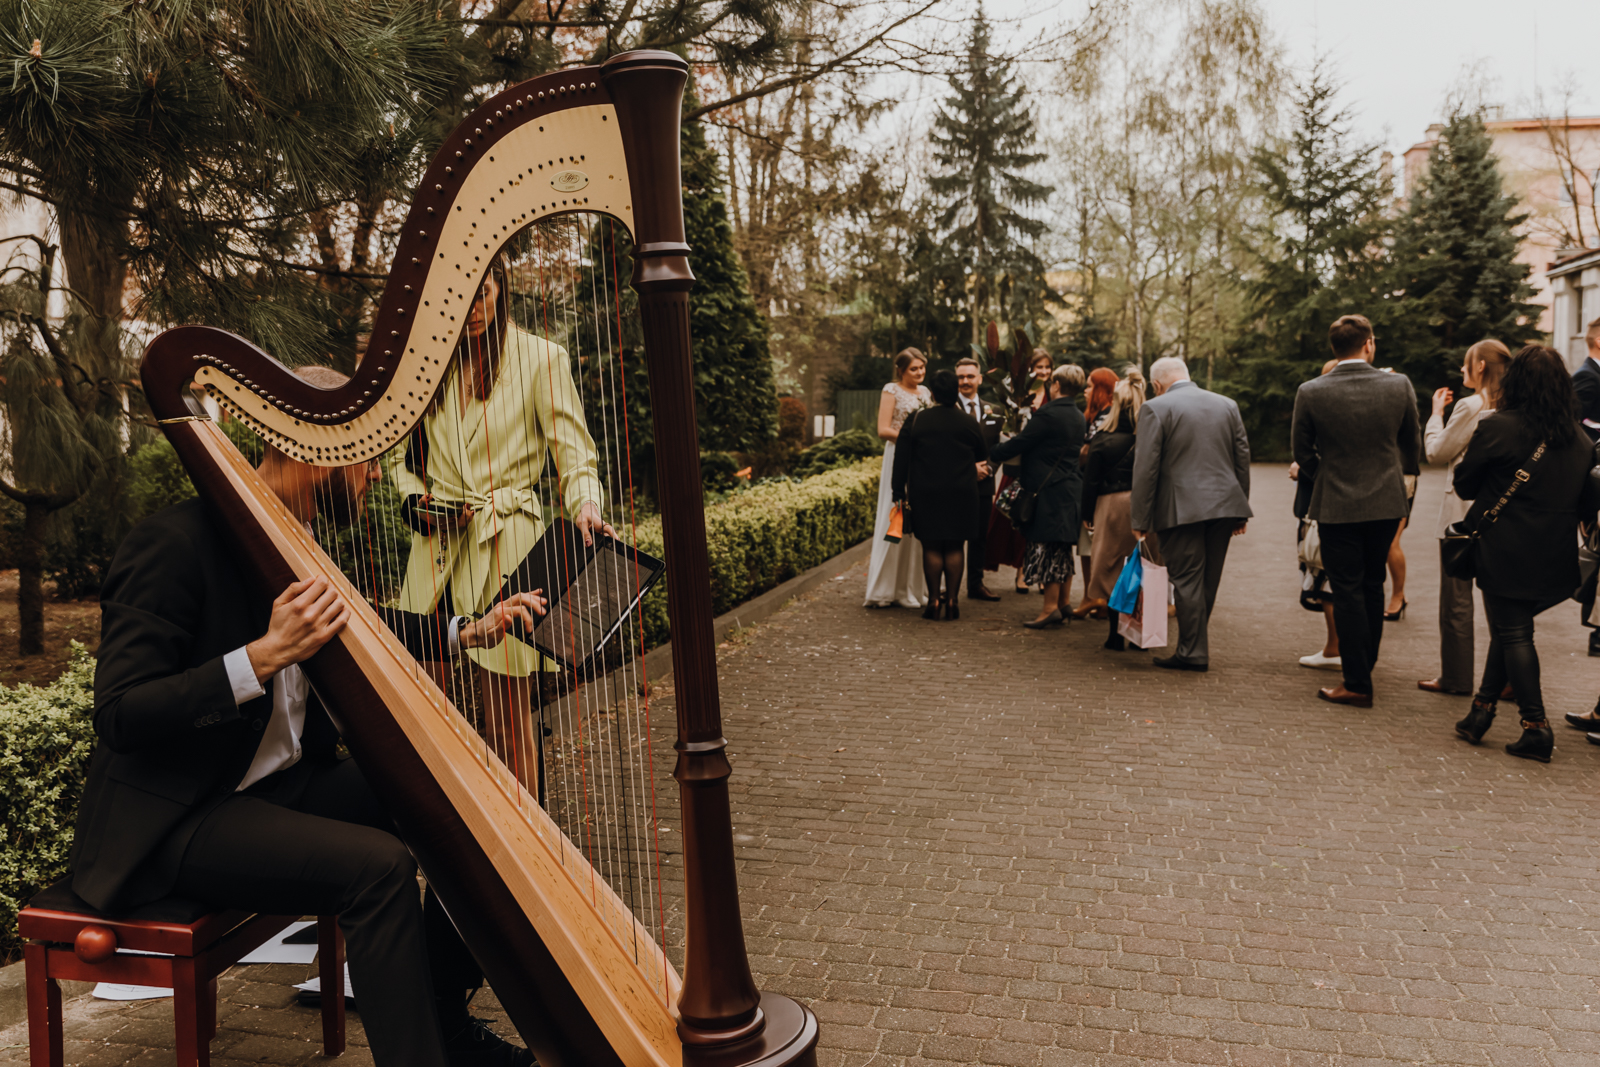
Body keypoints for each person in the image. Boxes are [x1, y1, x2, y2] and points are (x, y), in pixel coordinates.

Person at [80, 369, 549, 1067]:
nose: (376, 475)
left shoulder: (296, 536)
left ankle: (446, 1026)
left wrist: (468, 629)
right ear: (313, 452)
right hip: (182, 817)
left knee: (468, 801)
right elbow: (121, 712)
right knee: (379, 869)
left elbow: (357, 621)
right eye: (367, 458)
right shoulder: (174, 542)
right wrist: (262, 657)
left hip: (279, 786)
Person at [395, 256, 609, 783]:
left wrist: (586, 505)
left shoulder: (542, 358)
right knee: (418, 704)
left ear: (501, 286)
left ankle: (525, 827)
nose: (471, 308)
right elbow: (402, 460)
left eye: (482, 292)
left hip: (506, 547)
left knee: (509, 723)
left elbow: (576, 458)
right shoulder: (427, 364)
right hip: (436, 549)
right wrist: (418, 503)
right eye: (460, 296)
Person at [1452, 345, 1600, 761]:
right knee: (1510, 628)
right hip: (1556, 557)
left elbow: (1465, 485)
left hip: (1504, 550)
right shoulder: (1581, 440)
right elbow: (1586, 506)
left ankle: (1535, 727)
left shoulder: (1498, 427)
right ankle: (1480, 711)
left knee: (1514, 633)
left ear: (1516, 382)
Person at [1291, 314, 1421, 707]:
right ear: (1369, 344)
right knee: (1372, 584)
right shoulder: (1398, 384)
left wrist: (1325, 475)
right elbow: (1411, 445)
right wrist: (1395, 478)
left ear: (1334, 348)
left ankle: (1357, 682)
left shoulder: (1311, 391)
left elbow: (1301, 451)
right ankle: (1364, 669)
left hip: (1336, 504)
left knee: (1346, 588)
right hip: (1385, 501)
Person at [1130, 356, 1253, 671]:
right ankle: (1192, 647)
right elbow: (1241, 458)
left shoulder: (1155, 408)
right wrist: (1240, 511)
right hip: (1225, 506)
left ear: (1157, 384)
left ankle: (1192, 653)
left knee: (1186, 580)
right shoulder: (1227, 405)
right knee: (1208, 579)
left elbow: (1145, 469)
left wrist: (1140, 518)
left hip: (1179, 508)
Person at [1417, 340, 1509, 696]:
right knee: (1501, 601)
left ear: (1481, 366)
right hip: (1501, 516)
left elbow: (1436, 452)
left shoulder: (1471, 405)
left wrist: (1436, 414)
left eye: (1466, 363)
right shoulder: (1514, 405)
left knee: (1456, 601)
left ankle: (1456, 678)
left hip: (1462, 516)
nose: (1461, 369)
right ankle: (1508, 678)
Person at [988, 364, 1087, 628]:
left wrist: (993, 450)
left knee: (1047, 547)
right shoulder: (1079, 415)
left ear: (1056, 385)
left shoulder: (1048, 413)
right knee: (1062, 548)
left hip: (1047, 491)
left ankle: (1049, 609)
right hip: (1070, 489)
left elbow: (1022, 443)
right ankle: (1064, 603)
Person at [893, 369, 990, 620]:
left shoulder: (917, 420)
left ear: (933, 394)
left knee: (932, 545)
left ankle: (934, 601)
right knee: (956, 545)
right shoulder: (968, 421)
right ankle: (954, 602)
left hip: (926, 492)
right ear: (955, 391)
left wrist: (897, 491)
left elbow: (901, 458)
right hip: (962, 491)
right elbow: (982, 453)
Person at [1080, 369, 1148, 648]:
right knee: (1143, 567)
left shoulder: (1103, 438)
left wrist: (1086, 514)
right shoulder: (1150, 438)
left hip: (1110, 506)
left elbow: (1090, 481)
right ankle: (1141, 635)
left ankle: (1115, 635)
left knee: (1110, 568)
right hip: (1145, 505)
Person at [864, 348, 931, 608]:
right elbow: (883, 429)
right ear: (901, 371)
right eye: (914, 369)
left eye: (922, 367)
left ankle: (913, 588)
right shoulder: (891, 390)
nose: (920, 372)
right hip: (899, 456)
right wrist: (912, 438)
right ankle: (887, 589)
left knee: (918, 520)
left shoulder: (926, 393)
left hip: (921, 459)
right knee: (897, 516)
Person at [1293, 360, 1342, 672]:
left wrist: (1304, 470)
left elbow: (1308, 452)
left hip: (1320, 507)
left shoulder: (1322, 409)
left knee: (1326, 578)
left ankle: (1334, 648)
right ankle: (1341, 647)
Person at [1072, 366, 1121, 615]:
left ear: (1101, 389)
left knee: (1091, 546)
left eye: (1090, 386)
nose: (1085, 390)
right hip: (1103, 488)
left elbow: (1089, 455)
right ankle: (1100, 599)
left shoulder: (1104, 417)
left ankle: (1092, 597)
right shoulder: (1107, 414)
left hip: (1096, 490)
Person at [954, 357, 1003, 601]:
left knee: (979, 536)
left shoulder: (996, 411)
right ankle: (949, 586)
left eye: (970, 376)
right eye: (961, 377)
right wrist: (968, 469)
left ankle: (975, 585)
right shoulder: (947, 410)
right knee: (953, 536)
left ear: (980, 379)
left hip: (984, 483)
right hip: (954, 483)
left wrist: (989, 469)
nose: (965, 381)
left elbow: (998, 447)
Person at [1571, 317, 1600, 657]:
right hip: (1594, 482)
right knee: (1595, 556)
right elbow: (1574, 427)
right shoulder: (1587, 376)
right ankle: (1597, 634)